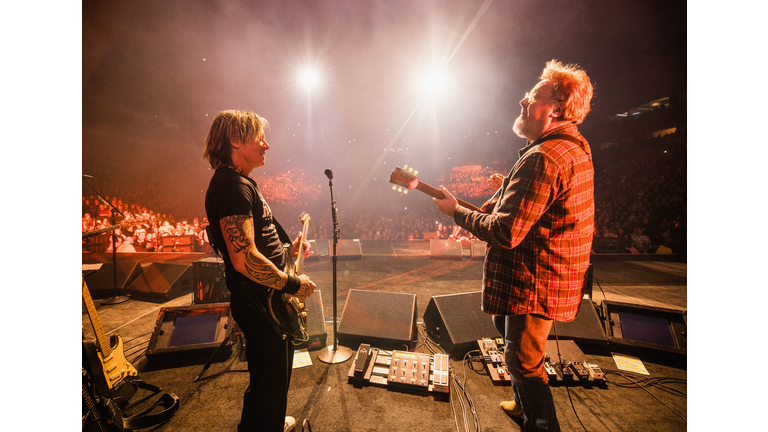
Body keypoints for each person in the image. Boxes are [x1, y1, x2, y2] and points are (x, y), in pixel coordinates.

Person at [432, 60, 594, 432]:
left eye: (535, 95)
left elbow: (506, 233)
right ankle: (523, 406)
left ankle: (541, 422)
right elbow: (542, 204)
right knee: (508, 335)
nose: (523, 100)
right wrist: (505, 188)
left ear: (557, 108)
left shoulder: (543, 157)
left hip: (535, 279)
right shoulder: (571, 146)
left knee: (522, 359)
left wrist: (456, 211)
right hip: (549, 273)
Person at [203, 109, 316, 432]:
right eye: (260, 138)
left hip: (263, 300)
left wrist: (287, 251)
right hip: (261, 302)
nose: (266, 145)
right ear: (236, 140)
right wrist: (292, 283)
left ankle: (263, 423)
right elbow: (244, 258)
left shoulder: (238, 184)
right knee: (271, 378)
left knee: (268, 378)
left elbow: (257, 243)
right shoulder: (232, 188)